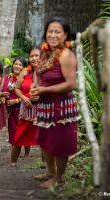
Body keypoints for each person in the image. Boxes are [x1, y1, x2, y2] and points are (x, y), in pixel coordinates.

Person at [30, 17, 78, 188]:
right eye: (50, 31)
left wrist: (44, 90)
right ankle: (50, 172)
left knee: (59, 142)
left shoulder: (66, 55)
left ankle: (59, 178)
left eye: (57, 31)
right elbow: (38, 71)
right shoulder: (45, 52)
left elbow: (71, 84)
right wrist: (36, 85)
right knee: (45, 140)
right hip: (45, 105)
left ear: (65, 35)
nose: (53, 34)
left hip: (61, 106)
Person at [11, 48, 40, 166]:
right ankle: (12, 164)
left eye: (37, 56)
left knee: (44, 138)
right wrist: (24, 98)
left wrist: (42, 97)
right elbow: (16, 88)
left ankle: (46, 167)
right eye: (31, 56)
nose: (34, 58)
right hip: (27, 111)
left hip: (42, 110)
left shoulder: (47, 72)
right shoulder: (25, 71)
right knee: (19, 136)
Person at [2, 57, 31, 159]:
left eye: (20, 65)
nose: (17, 66)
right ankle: (14, 157)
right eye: (15, 64)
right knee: (13, 131)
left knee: (24, 130)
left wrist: (17, 100)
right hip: (11, 110)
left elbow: (28, 94)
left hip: (22, 107)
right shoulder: (9, 77)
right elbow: (1, 90)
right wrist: (2, 94)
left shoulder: (26, 78)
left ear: (24, 68)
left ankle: (26, 154)